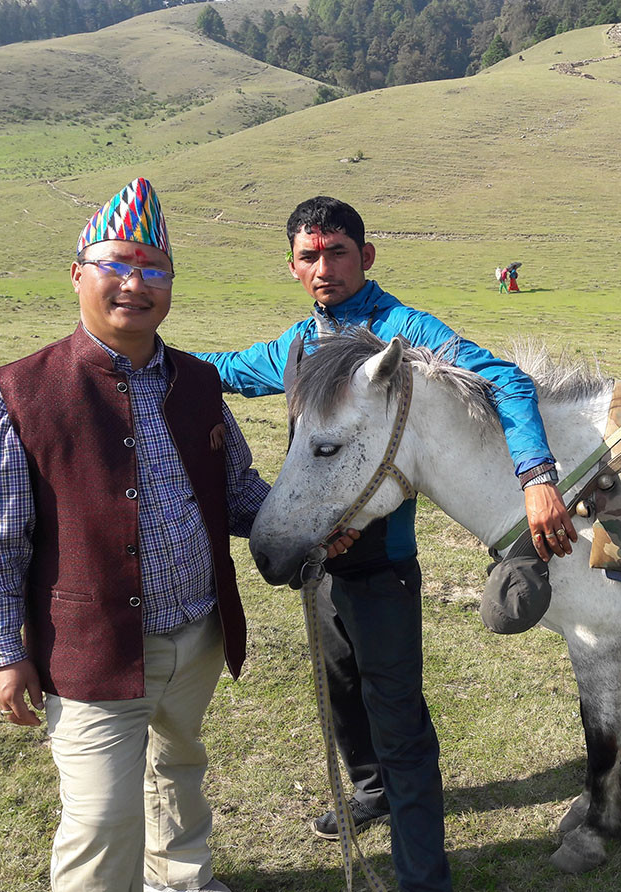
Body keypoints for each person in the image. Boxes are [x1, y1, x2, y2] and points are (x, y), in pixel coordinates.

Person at [194, 196, 575, 892]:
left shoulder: (407, 333)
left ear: (364, 256)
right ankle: (367, 792)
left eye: (336, 251)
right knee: (342, 692)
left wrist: (538, 477)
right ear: (292, 266)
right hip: (320, 556)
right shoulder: (298, 346)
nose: (323, 267)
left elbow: (506, 380)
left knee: (397, 716)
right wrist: (142, 353)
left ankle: (422, 877)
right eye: (309, 255)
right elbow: (220, 370)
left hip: (385, 566)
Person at [0, 178, 271, 892]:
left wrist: (308, 528)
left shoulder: (195, 380)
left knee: (178, 769)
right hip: (92, 650)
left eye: (153, 268)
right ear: (78, 275)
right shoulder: (13, 396)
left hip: (196, 632)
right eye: (116, 265)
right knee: (101, 821)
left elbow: (239, 494)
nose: (136, 283)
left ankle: (182, 880)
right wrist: (4, 653)